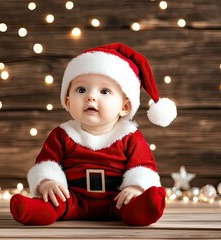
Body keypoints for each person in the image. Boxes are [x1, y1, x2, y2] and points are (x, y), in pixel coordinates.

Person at [10, 43, 177, 226]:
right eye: (81, 90)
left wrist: (137, 187)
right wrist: (47, 183)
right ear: (67, 101)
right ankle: (38, 211)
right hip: (72, 199)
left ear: (125, 107)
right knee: (55, 200)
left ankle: (143, 208)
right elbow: (46, 163)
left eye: (104, 91)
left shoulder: (130, 137)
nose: (90, 97)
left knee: (129, 204)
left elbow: (143, 167)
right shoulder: (62, 135)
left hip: (116, 200)